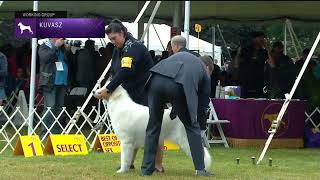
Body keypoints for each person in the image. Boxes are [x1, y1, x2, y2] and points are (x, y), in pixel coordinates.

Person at [92, 19, 165, 172]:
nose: (112, 42)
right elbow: (114, 71)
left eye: (114, 38)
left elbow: (126, 71)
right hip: (132, 93)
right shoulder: (119, 48)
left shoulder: (134, 47)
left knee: (155, 128)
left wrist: (109, 89)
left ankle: (157, 164)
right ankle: (129, 163)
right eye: (110, 39)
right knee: (133, 130)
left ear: (122, 33)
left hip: (147, 92)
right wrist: (108, 85)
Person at [140, 35, 212, 176]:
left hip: (154, 81)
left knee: (153, 126)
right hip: (177, 85)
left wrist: (176, 109)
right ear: (208, 67)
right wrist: (200, 126)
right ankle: (200, 170)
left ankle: (146, 170)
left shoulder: (175, 57)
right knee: (192, 126)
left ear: (174, 47)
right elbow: (202, 104)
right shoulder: (202, 69)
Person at [38, 38, 71, 139]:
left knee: (59, 109)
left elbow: (68, 63)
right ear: (53, 38)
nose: (61, 40)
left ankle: (55, 133)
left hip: (62, 82)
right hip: (50, 82)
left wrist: (67, 50)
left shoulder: (62, 49)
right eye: (60, 38)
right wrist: (55, 47)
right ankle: (44, 133)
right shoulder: (44, 46)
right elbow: (45, 59)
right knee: (49, 107)